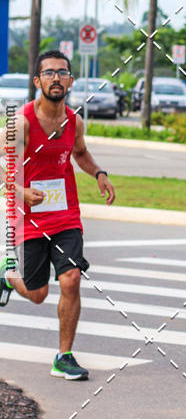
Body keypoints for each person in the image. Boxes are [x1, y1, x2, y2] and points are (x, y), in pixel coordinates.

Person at [0, 50, 115, 380]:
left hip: (65, 216)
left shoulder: (74, 121)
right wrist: (21, 191)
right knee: (37, 295)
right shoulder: (21, 122)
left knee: (72, 278)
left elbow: (79, 152)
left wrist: (99, 173)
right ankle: (7, 275)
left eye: (62, 73)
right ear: (38, 81)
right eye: (48, 73)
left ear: (70, 80)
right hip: (29, 217)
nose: (56, 78)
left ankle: (64, 356)